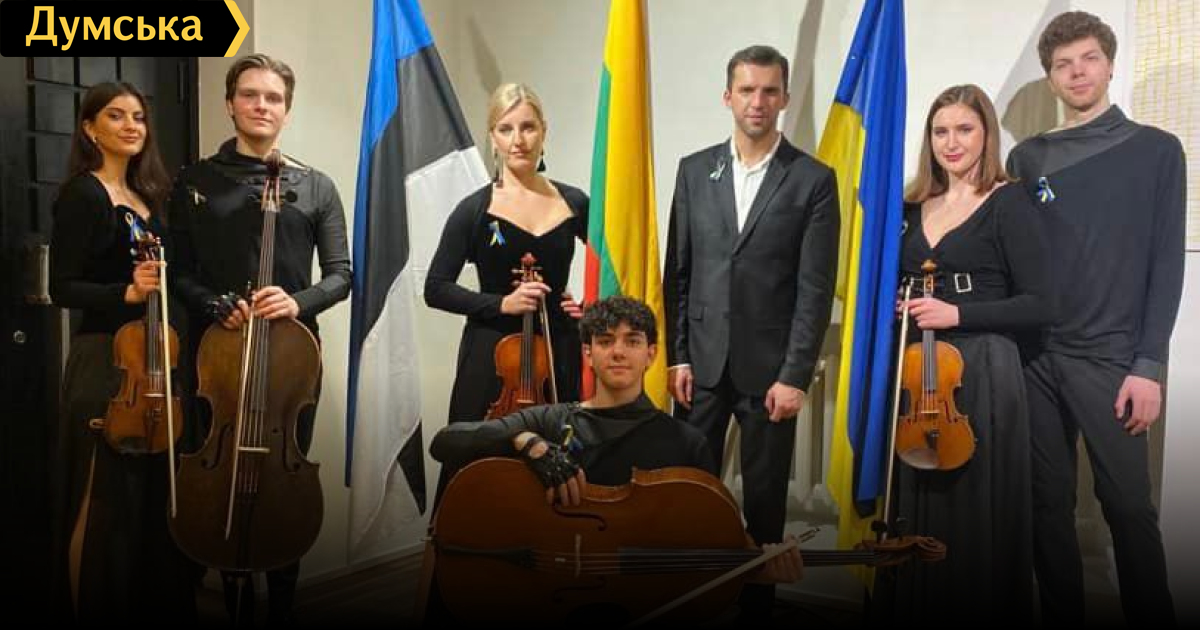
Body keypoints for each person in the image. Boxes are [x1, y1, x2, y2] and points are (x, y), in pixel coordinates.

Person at [428, 296, 802, 624]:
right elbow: (446, 443)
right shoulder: (551, 421)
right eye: (605, 341)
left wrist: (757, 570)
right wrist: (529, 442)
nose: (618, 352)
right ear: (588, 354)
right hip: (544, 599)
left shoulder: (687, 443)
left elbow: (707, 541)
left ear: (651, 354)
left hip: (637, 605)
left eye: (632, 341)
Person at [1006, 11, 1184, 626]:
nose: (1077, 72)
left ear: (1109, 65)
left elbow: (1167, 264)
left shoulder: (1158, 151)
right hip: (1035, 358)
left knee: (1128, 509)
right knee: (1045, 507)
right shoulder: (1027, 158)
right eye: (1063, 64)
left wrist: (1148, 366)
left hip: (1112, 359)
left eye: (1088, 59)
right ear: (1050, 77)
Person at [167, 53, 352, 626]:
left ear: (287, 111)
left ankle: (283, 600)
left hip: (291, 362)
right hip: (216, 358)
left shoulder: (315, 187)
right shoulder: (195, 182)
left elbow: (341, 275)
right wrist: (212, 304)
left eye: (273, 98)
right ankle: (226, 589)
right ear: (230, 104)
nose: (261, 106)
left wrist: (297, 302)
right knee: (217, 475)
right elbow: (179, 270)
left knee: (281, 480)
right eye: (250, 95)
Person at [662, 44, 839, 620]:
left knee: (764, 513)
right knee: (690, 502)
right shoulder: (694, 171)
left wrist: (796, 376)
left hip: (771, 377)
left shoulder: (813, 179)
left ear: (784, 98)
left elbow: (814, 291)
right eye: (746, 90)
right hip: (700, 370)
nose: (757, 101)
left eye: (768, 91)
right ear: (728, 96)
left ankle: (756, 611)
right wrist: (677, 357)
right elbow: (678, 274)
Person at [875, 84, 1051, 623]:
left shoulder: (1009, 201)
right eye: (940, 131)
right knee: (919, 492)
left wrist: (958, 314)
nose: (951, 143)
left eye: (964, 130)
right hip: (917, 372)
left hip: (983, 373)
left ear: (986, 135)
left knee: (974, 506)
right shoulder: (910, 206)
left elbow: (1041, 303)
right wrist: (899, 303)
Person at [48, 81, 197, 622]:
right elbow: (62, 287)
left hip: (151, 361)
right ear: (90, 128)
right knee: (98, 497)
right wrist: (125, 293)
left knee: (144, 505)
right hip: (104, 361)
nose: (131, 125)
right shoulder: (83, 194)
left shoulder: (147, 196)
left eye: (138, 116)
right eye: (115, 116)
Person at [424, 82, 588, 503]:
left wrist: (589, 309)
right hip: (491, 355)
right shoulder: (475, 209)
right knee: (477, 465)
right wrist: (501, 303)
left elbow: (618, 266)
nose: (519, 140)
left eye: (528, 127)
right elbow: (435, 288)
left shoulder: (574, 202)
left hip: (557, 351)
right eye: (506, 128)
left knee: (560, 462)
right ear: (493, 137)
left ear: (544, 131)